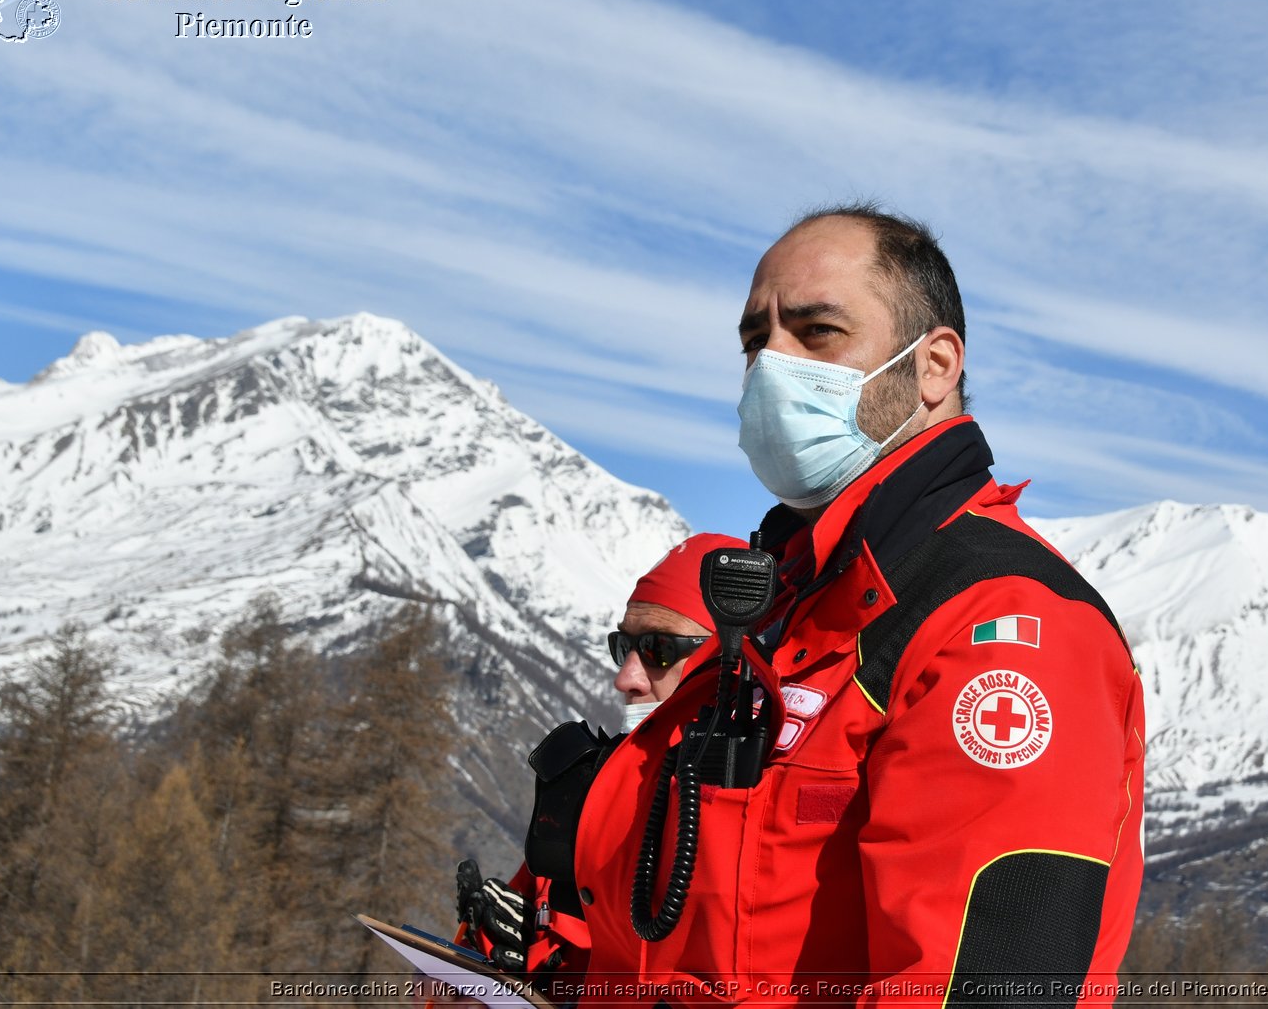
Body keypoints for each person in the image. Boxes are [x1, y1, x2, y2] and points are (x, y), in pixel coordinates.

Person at [567, 204, 1146, 1007]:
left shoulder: (998, 624)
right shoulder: (800, 600)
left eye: (818, 332)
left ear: (933, 366)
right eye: (755, 340)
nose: (772, 363)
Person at [431, 533, 748, 1007]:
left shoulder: (766, 819)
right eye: (624, 646)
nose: (626, 677)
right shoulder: (587, 795)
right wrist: (484, 965)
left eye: (660, 648)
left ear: (731, 662)